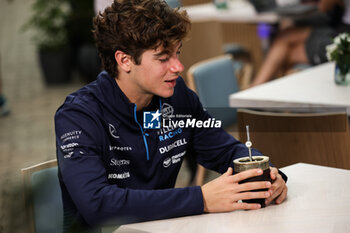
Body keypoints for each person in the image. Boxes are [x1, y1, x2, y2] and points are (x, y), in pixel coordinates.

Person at [55, 0, 288, 232]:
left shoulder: (178, 97)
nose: (178, 66)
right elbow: (97, 205)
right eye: (163, 58)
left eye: (177, 53)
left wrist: (267, 175)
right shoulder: (78, 115)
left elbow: (225, 150)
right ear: (124, 60)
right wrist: (201, 199)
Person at [251, 0, 349, 87]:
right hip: (340, 30)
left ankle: (254, 91)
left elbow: (324, 6)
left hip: (344, 38)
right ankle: (257, 91)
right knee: (286, 38)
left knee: (286, 51)